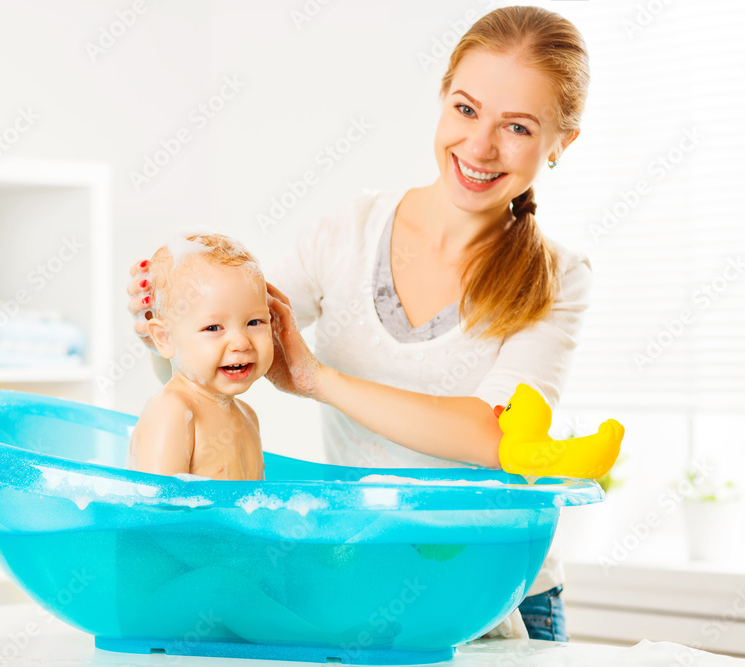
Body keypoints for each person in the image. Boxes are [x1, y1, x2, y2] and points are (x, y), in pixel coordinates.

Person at [128, 6, 589, 641]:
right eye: (465, 109)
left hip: (495, 592)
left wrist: (318, 379)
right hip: (361, 579)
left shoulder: (558, 277)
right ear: (442, 101)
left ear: (562, 142)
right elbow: (230, 349)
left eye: (516, 127)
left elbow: (499, 437)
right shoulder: (348, 232)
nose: (480, 146)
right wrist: (169, 323)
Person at [127, 233, 273, 481]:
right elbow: (154, 509)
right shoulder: (172, 412)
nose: (241, 342)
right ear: (164, 338)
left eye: (254, 322)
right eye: (214, 328)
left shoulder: (247, 416)